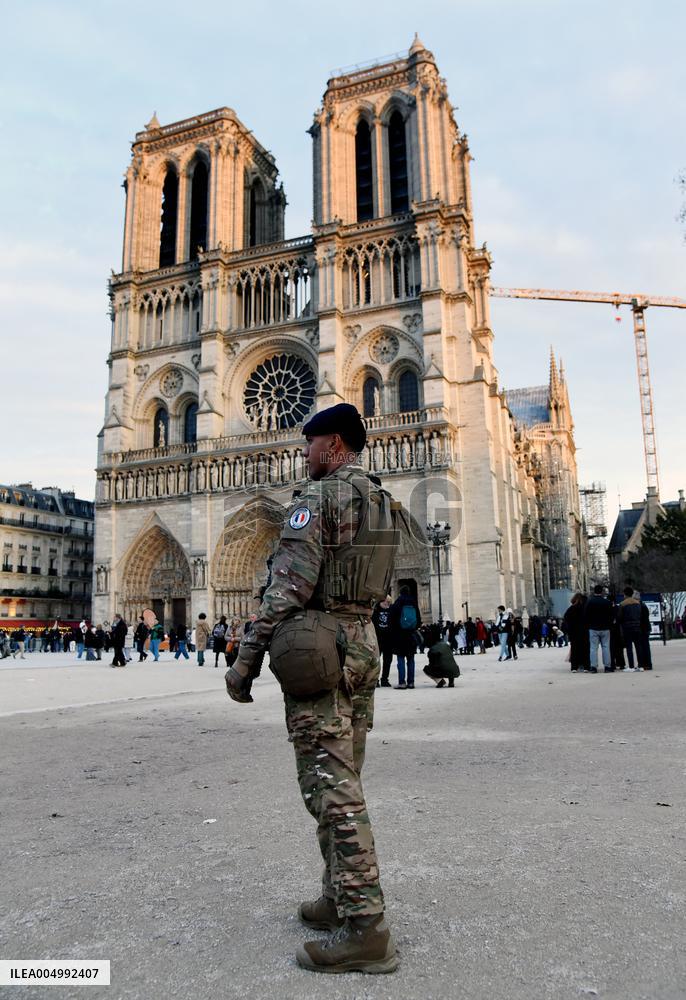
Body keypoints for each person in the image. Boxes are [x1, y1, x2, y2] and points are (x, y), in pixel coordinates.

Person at [225, 402, 400, 975]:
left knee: (332, 792)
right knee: (343, 775)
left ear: (332, 445)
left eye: (310, 443)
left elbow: (286, 591)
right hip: (362, 647)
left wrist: (245, 660)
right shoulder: (383, 502)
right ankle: (336, 897)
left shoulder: (318, 499)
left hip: (322, 652)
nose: (304, 454)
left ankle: (366, 929)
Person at [390, 585, 422, 689]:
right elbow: (418, 620)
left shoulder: (398, 602)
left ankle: (402, 682)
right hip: (411, 635)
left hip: (399, 635)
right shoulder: (414, 602)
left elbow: (392, 618)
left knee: (400, 659)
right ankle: (411, 682)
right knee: (411, 659)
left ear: (400, 592)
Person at [617, 587, 651, 671]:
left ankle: (631, 666)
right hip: (637, 627)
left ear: (624, 594)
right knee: (638, 647)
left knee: (629, 648)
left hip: (627, 628)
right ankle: (640, 665)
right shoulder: (638, 603)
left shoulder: (622, 604)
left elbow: (619, 617)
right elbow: (640, 615)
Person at [584, 584, 613, 672]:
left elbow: (586, 615)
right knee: (606, 647)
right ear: (602, 592)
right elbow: (611, 615)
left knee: (593, 648)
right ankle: (607, 666)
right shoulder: (607, 602)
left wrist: (588, 625)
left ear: (594, 591)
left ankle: (593, 667)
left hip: (593, 628)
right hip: (605, 627)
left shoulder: (589, 602)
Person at [563, 593, 589, 671]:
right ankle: (586, 666)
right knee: (585, 648)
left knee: (574, 648)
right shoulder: (585, 608)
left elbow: (566, 618)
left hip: (573, 631)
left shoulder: (571, 608)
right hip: (584, 631)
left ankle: (574, 667)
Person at [372, 595, 393, 687]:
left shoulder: (392, 610)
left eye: (388, 602)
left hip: (389, 639)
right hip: (377, 639)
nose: (386, 603)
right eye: (384, 601)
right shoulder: (375, 611)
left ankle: (385, 679)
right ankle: (375, 680)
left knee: (388, 660)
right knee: (376, 661)